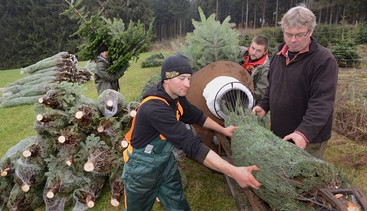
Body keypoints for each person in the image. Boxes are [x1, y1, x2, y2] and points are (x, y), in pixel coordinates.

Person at [122, 54, 261, 210]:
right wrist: (234, 171)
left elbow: (196, 115)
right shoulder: (155, 108)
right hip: (141, 168)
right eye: (182, 78)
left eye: (189, 78)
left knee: (178, 203)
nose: (187, 84)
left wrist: (223, 130)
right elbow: (192, 146)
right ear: (166, 79)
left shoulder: (175, 95)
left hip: (165, 162)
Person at [252, 4, 338, 160]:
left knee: (304, 180)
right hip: (279, 132)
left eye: (299, 35)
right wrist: (264, 105)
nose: (292, 40)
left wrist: (303, 133)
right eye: (288, 34)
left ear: (310, 31)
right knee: (282, 173)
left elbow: (322, 104)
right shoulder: (278, 56)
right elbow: (273, 87)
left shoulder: (324, 60)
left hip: (308, 139)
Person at [241, 35, 270, 103]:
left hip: (246, 100)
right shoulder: (243, 54)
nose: (254, 53)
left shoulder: (265, 69)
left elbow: (259, 93)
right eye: (253, 48)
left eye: (258, 51)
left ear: (265, 52)